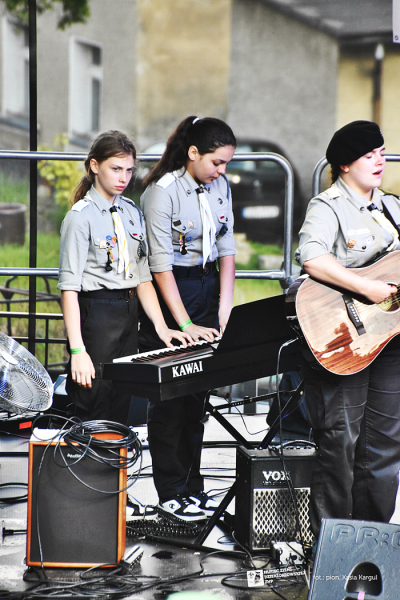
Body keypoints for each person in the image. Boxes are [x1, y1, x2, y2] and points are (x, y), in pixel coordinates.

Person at [295, 120, 400, 538]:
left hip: (389, 340)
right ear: (344, 165)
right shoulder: (328, 206)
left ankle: (373, 542)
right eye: (369, 154)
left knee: (385, 446)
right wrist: (368, 288)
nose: (380, 160)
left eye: (382, 152)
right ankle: (332, 546)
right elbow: (312, 259)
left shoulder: (391, 206)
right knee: (340, 443)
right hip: (343, 338)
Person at [139, 115, 237, 521]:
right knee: (171, 400)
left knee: (198, 397)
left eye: (226, 164)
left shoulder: (220, 186)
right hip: (172, 294)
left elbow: (227, 249)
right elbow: (160, 265)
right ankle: (171, 490)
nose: (221, 172)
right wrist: (182, 324)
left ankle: (194, 487)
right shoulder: (161, 192)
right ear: (193, 153)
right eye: (216, 163)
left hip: (207, 288)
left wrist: (225, 308)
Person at [57, 130, 191, 426]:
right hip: (97, 315)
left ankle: (116, 471)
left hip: (129, 315)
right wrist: (77, 350)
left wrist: (161, 327)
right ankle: (91, 469)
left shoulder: (130, 212)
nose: (124, 177)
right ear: (94, 166)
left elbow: (143, 279)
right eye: (116, 169)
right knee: (93, 402)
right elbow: (69, 289)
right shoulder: (81, 217)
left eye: (129, 170)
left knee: (121, 402)